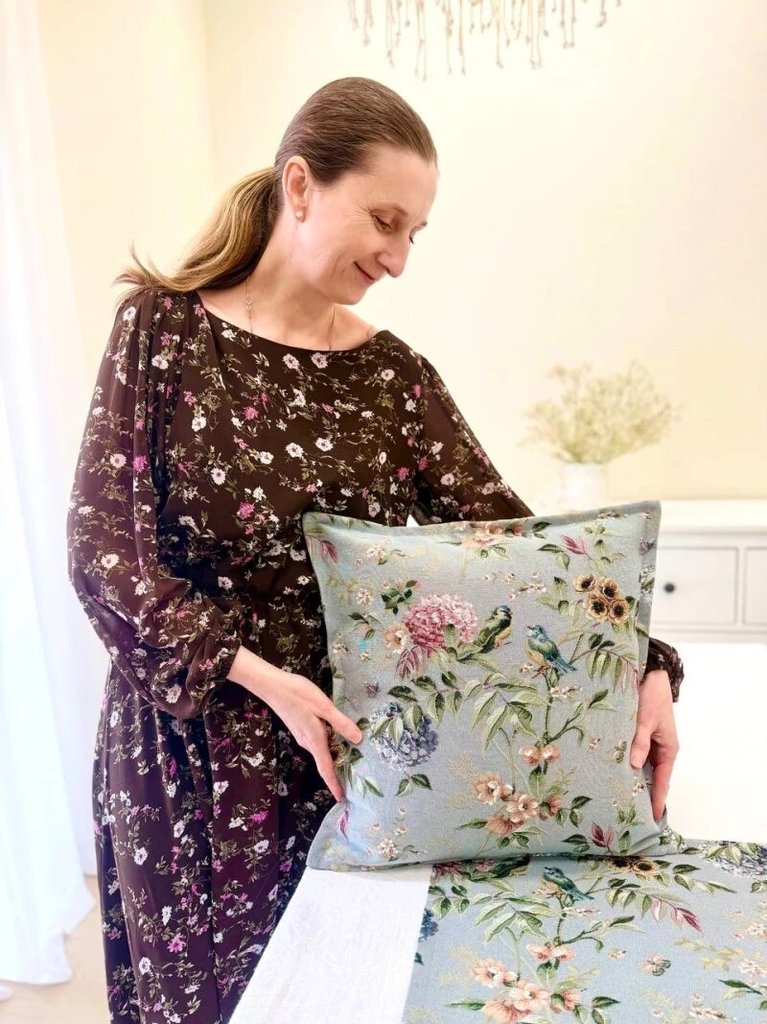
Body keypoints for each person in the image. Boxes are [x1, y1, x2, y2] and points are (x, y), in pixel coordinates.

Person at [66, 76, 684, 1024]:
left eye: (413, 235)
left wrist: (646, 663)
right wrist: (261, 678)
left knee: (343, 994)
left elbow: (518, 547)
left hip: (355, 764)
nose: (396, 259)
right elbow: (104, 551)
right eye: (384, 221)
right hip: (192, 756)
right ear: (300, 185)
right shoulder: (161, 332)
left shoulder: (393, 378)